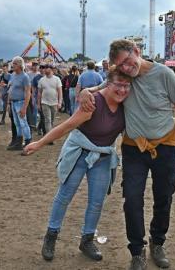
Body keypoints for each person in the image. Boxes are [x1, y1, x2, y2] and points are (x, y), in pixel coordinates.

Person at [80, 39, 175, 270]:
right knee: (131, 199)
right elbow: (100, 88)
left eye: (129, 62)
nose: (128, 68)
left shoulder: (165, 74)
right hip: (133, 147)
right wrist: (84, 91)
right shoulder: (121, 75)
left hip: (165, 144)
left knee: (164, 196)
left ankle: (157, 243)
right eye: (122, 66)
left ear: (137, 52)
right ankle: (137, 251)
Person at [24, 67, 131, 262]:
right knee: (65, 195)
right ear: (108, 83)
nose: (122, 90)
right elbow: (68, 125)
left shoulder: (127, 105)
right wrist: (39, 143)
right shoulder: (93, 102)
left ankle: (87, 239)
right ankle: (51, 236)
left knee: (97, 201)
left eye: (126, 86)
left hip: (103, 157)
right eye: (118, 85)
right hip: (79, 153)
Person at [6, 56, 31, 150]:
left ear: (20, 65)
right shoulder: (13, 75)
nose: (13, 65)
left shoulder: (25, 77)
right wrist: (9, 103)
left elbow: (28, 92)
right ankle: (19, 142)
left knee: (23, 123)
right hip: (13, 102)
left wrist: (25, 107)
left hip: (20, 102)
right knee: (17, 123)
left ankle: (28, 141)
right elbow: (10, 88)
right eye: (13, 63)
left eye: (15, 63)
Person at [37, 65, 62, 136]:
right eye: (44, 68)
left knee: (52, 120)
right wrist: (38, 104)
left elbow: (60, 92)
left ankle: (48, 134)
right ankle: (49, 137)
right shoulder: (41, 80)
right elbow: (39, 93)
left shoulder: (57, 79)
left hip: (54, 102)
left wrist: (60, 102)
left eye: (46, 68)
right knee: (47, 120)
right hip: (44, 102)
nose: (44, 70)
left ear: (51, 69)